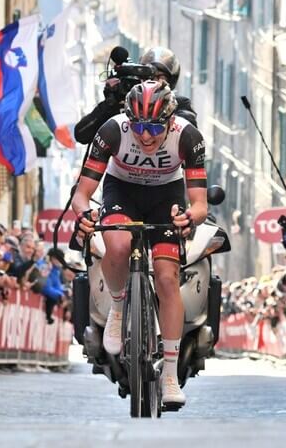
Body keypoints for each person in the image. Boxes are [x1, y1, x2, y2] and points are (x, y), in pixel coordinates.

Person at [71, 80, 207, 409]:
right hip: (123, 192)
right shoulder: (114, 130)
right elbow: (82, 194)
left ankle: (170, 376)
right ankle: (118, 308)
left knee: (166, 278)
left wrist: (190, 218)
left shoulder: (187, 136)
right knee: (117, 247)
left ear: (170, 122)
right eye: (139, 127)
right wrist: (84, 214)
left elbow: (200, 204)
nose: (146, 136)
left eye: (154, 128)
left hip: (167, 197)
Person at [73, 47, 197, 144]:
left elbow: (191, 134)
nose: (154, 82)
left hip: (165, 173)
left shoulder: (180, 104)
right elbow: (82, 134)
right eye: (149, 77)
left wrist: (165, 112)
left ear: (171, 81)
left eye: (160, 77)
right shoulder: (128, 104)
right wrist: (110, 105)